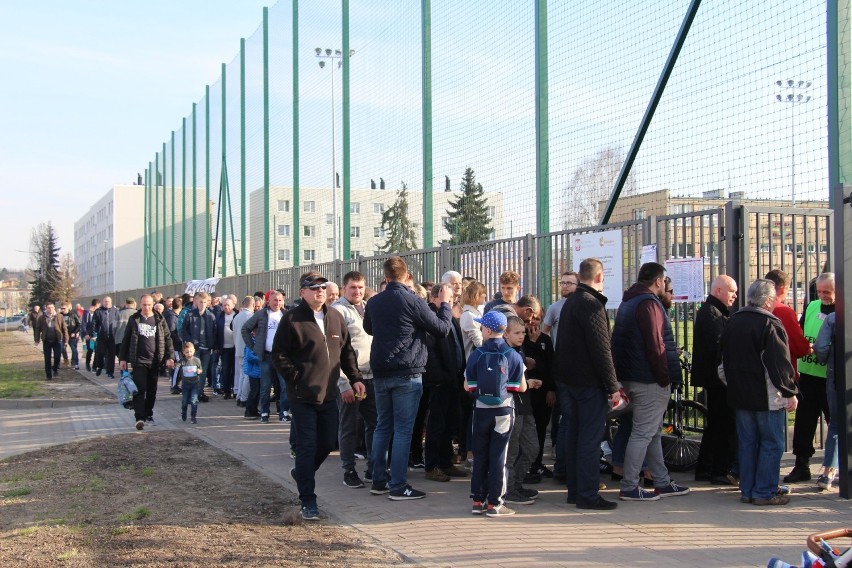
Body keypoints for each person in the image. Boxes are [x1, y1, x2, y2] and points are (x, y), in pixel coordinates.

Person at [271, 272, 365, 521]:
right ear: (302, 292)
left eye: (323, 287)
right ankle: (308, 501)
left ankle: (302, 473)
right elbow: (279, 354)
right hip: (303, 396)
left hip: (329, 394)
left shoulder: (335, 316)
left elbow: (346, 351)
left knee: (326, 443)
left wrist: (355, 378)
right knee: (306, 446)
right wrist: (296, 378)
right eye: (313, 287)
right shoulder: (292, 319)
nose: (320, 291)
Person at [364, 256, 454, 501]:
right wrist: (445, 304)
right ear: (406, 276)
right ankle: (398, 485)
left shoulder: (374, 302)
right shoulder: (413, 300)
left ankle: (378, 479)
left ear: (386, 277)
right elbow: (442, 328)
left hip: (381, 371)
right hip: (407, 371)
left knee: (383, 426)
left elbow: (369, 328)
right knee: (403, 430)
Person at [612, 262, 689, 501]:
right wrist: (664, 378)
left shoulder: (629, 301)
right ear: (658, 281)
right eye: (664, 281)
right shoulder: (649, 304)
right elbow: (657, 344)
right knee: (643, 433)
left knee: (652, 431)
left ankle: (662, 481)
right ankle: (630, 486)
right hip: (648, 379)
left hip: (631, 375)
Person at [720, 279, 798, 506]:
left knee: (747, 443)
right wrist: (789, 392)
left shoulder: (733, 321)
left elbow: (721, 363)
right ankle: (764, 491)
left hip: (740, 396)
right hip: (766, 397)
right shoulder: (770, 324)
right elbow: (779, 365)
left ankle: (748, 489)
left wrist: (732, 384)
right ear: (767, 301)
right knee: (771, 444)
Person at [553, 258, 621, 509]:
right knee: (590, 440)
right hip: (588, 384)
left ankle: (575, 490)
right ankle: (588, 494)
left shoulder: (570, 303)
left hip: (569, 381)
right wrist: (613, 386)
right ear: (600, 277)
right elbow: (601, 349)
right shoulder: (591, 305)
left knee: (575, 435)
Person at [465, 310, 527, 517]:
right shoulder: (513, 355)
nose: (480, 329)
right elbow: (522, 387)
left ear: (488, 329)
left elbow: (468, 386)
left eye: (482, 326)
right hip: (504, 410)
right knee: (499, 456)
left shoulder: (477, 354)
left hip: (481, 410)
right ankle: (495, 503)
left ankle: (477, 500)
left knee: (480, 454)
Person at [785, 272, 835, 484]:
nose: (822, 295)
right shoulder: (812, 306)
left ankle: (833, 467)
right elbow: (800, 331)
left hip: (830, 377)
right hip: (808, 374)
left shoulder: (841, 311)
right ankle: (801, 465)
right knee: (804, 422)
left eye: (827, 292)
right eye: (820, 291)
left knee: (835, 423)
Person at [331, 271, 378, 489]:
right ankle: (348, 469)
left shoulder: (369, 307)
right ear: (343, 288)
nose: (357, 291)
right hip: (350, 379)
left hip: (371, 377)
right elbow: (334, 351)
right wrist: (343, 382)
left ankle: (373, 467)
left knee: (374, 423)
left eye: (360, 287)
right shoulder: (337, 311)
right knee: (349, 426)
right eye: (352, 287)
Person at [691, 275, 739, 485]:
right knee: (722, 425)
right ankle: (717, 469)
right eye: (732, 291)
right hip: (717, 379)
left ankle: (706, 467)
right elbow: (719, 347)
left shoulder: (714, 311)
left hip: (714, 378)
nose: (735, 296)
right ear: (719, 290)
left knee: (716, 425)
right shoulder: (712, 313)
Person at [422, 283, 469, 483]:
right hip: (440, 381)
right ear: (436, 298)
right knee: (437, 425)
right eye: (448, 300)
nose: (451, 303)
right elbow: (430, 352)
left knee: (450, 423)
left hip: (454, 379)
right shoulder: (432, 317)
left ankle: (445, 462)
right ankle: (432, 465)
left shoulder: (449, 316)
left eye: (452, 300)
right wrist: (439, 377)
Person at [119, 294, 175, 431]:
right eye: (144, 305)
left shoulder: (159, 319)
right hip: (139, 361)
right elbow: (126, 340)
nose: (146, 307)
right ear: (140, 304)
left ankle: (148, 414)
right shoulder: (134, 319)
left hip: (155, 361)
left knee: (151, 390)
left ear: (153, 305)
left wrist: (170, 357)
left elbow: (168, 339)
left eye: (149, 305)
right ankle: (139, 418)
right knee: (139, 390)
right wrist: (122, 359)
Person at [502, 315, 541, 505]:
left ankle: (515, 484)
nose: (521, 336)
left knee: (532, 448)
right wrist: (527, 383)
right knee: (511, 451)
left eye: (523, 332)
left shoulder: (519, 351)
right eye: (517, 333)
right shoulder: (505, 353)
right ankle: (508, 490)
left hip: (525, 407)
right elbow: (504, 383)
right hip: (513, 407)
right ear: (505, 334)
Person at [241, 290, 289, 423]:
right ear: (268, 301)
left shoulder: (286, 315)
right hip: (266, 357)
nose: (278, 303)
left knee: (284, 385)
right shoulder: (261, 314)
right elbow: (245, 329)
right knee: (265, 386)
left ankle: (284, 411)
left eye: (280, 300)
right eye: (275, 300)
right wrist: (253, 347)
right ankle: (264, 412)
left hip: (282, 357)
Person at [813, 311, 840, 491]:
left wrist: (829, 357)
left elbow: (820, 348)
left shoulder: (833, 317)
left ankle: (828, 473)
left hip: (838, 374)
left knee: (836, 425)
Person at [181, 292, 217, 403]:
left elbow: (215, 332)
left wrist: (214, 345)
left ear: (208, 303)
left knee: (203, 372)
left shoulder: (211, 316)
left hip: (206, 348)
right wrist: (189, 342)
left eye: (204, 302)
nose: (202, 304)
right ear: (196, 302)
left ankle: (199, 392)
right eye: (200, 302)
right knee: (192, 371)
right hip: (194, 349)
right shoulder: (190, 315)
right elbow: (184, 330)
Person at [542, 271, 578, 347]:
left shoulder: (584, 305)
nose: (564, 286)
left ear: (578, 286)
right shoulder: (554, 307)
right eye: (562, 283)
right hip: (560, 356)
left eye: (569, 283)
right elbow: (545, 331)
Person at [232, 296, 255, 407]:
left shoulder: (237, 316)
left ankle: (239, 396)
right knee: (247, 375)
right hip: (248, 349)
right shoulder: (251, 316)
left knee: (242, 374)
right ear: (253, 305)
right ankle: (244, 398)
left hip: (238, 348)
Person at [35, 303, 68, 380]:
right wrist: (37, 339)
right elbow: (37, 329)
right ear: (46, 308)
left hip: (57, 340)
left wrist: (66, 340)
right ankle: (48, 375)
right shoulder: (42, 318)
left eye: (52, 307)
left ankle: (55, 369)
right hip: (46, 340)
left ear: (54, 308)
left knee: (57, 357)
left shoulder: (59, 316)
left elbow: (64, 329)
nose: (50, 309)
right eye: (48, 308)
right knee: (47, 358)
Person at [175, 341, 203, 424]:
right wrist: (175, 366)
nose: (189, 354)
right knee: (184, 401)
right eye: (187, 352)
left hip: (195, 384)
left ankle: (193, 417)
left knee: (194, 400)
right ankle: (184, 412)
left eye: (191, 351)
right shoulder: (182, 361)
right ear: (183, 352)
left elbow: (200, 370)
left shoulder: (197, 360)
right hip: (185, 384)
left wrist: (199, 371)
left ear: (194, 351)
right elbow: (177, 366)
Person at [92, 296, 120, 378]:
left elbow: (118, 322)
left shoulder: (115, 311)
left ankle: (110, 372)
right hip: (101, 336)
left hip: (112, 336)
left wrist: (116, 333)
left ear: (111, 302)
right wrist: (94, 334)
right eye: (105, 301)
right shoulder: (98, 311)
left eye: (108, 301)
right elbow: (94, 323)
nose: (107, 303)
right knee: (100, 353)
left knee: (111, 355)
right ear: (103, 302)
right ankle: (100, 367)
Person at [215, 297, 238, 399]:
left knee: (235, 369)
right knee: (225, 369)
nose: (226, 307)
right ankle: (227, 391)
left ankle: (235, 389)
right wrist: (216, 346)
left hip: (235, 346)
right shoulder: (220, 316)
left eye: (228, 305)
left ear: (233, 305)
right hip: (224, 347)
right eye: (224, 305)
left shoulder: (237, 315)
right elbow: (215, 331)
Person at [59, 302, 81, 370]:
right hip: (63, 335)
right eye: (61, 308)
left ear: (68, 308)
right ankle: (66, 360)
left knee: (74, 349)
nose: (63, 310)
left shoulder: (73, 314)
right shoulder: (59, 315)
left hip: (72, 334)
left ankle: (74, 362)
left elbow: (79, 324)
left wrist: (75, 332)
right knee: (61, 347)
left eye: (64, 308)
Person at [81, 299, 100, 372]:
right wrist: (86, 334)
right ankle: (87, 364)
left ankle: (94, 366)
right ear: (97, 305)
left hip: (96, 335)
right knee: (90, 349)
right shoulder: (87, 313)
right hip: (89, 335)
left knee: (97, 350)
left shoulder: (98, 312)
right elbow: (84, 324)